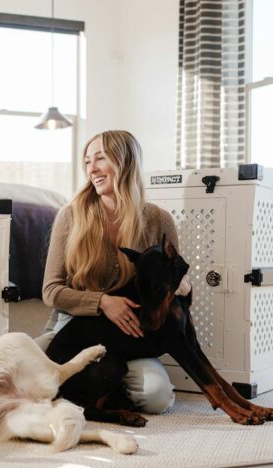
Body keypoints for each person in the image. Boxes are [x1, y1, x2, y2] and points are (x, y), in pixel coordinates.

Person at [39, 130, 181, 414]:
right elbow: (51, 291)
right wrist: (103, 302)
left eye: (100, 159)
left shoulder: (159, 220)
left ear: (125, 162)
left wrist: (182, 284)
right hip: (72, 328)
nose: (91, 169)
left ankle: (108, 385)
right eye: (88, 161)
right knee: (21, 375)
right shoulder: (71, 216)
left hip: (130, 336)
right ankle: (104, 387)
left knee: (157, 398)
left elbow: (173, 285)